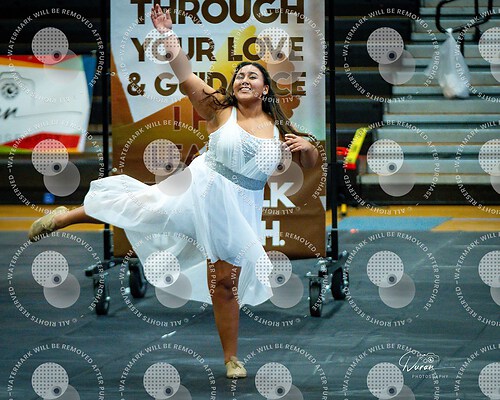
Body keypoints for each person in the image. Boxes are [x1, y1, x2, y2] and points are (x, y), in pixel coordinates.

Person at [28, 4, 319, 379]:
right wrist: (167, 34)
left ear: (265, 87)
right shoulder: (220, 109)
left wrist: (308, 149)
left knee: (225, 283)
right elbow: (184, 73)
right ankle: (64, 217)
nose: (244, 79)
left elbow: (309, 163)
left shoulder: (280, 129)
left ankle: (231, 358)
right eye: (239, 75)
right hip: (200, 187)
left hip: (238, 208)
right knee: (142, 206)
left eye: (252, 75)